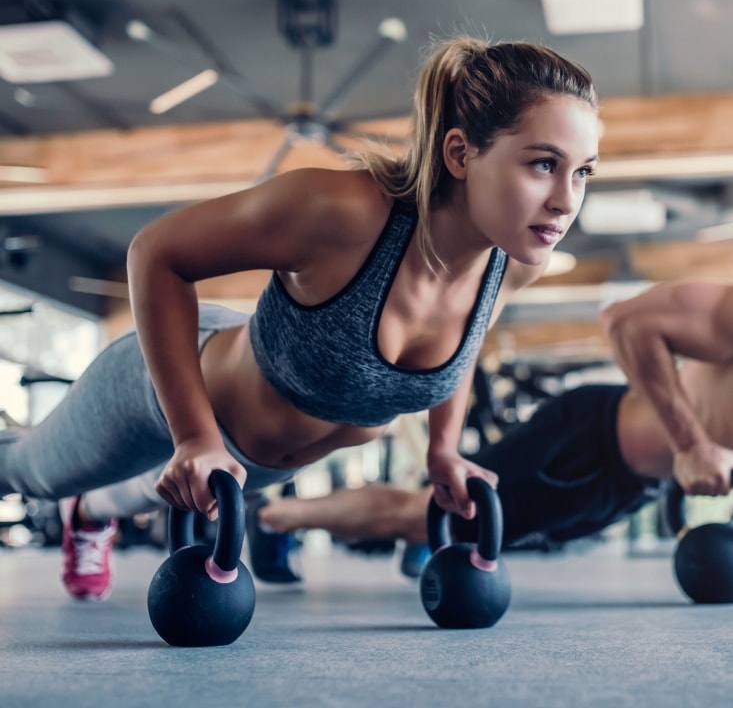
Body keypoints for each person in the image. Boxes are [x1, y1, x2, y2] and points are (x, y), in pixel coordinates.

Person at [0, 36, 600, 600]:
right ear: (461, 152)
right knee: (30, 473)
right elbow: (157, 253)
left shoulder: (517, 264)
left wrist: (443, 450)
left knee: (131, 496)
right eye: (543, 164)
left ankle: (89, 516)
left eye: (582, 172)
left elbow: (462, 348)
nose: (566, 200)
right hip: (166, 393)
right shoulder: (342, 212)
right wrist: (194, 436)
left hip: (249, 467)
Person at [245, 279, 733, 581]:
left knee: (451, 528)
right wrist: (690, 444)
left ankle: (428, 540)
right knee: (420, 515)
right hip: (585, 442)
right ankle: (274, 514)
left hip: (629, 487)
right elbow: (627, 321)